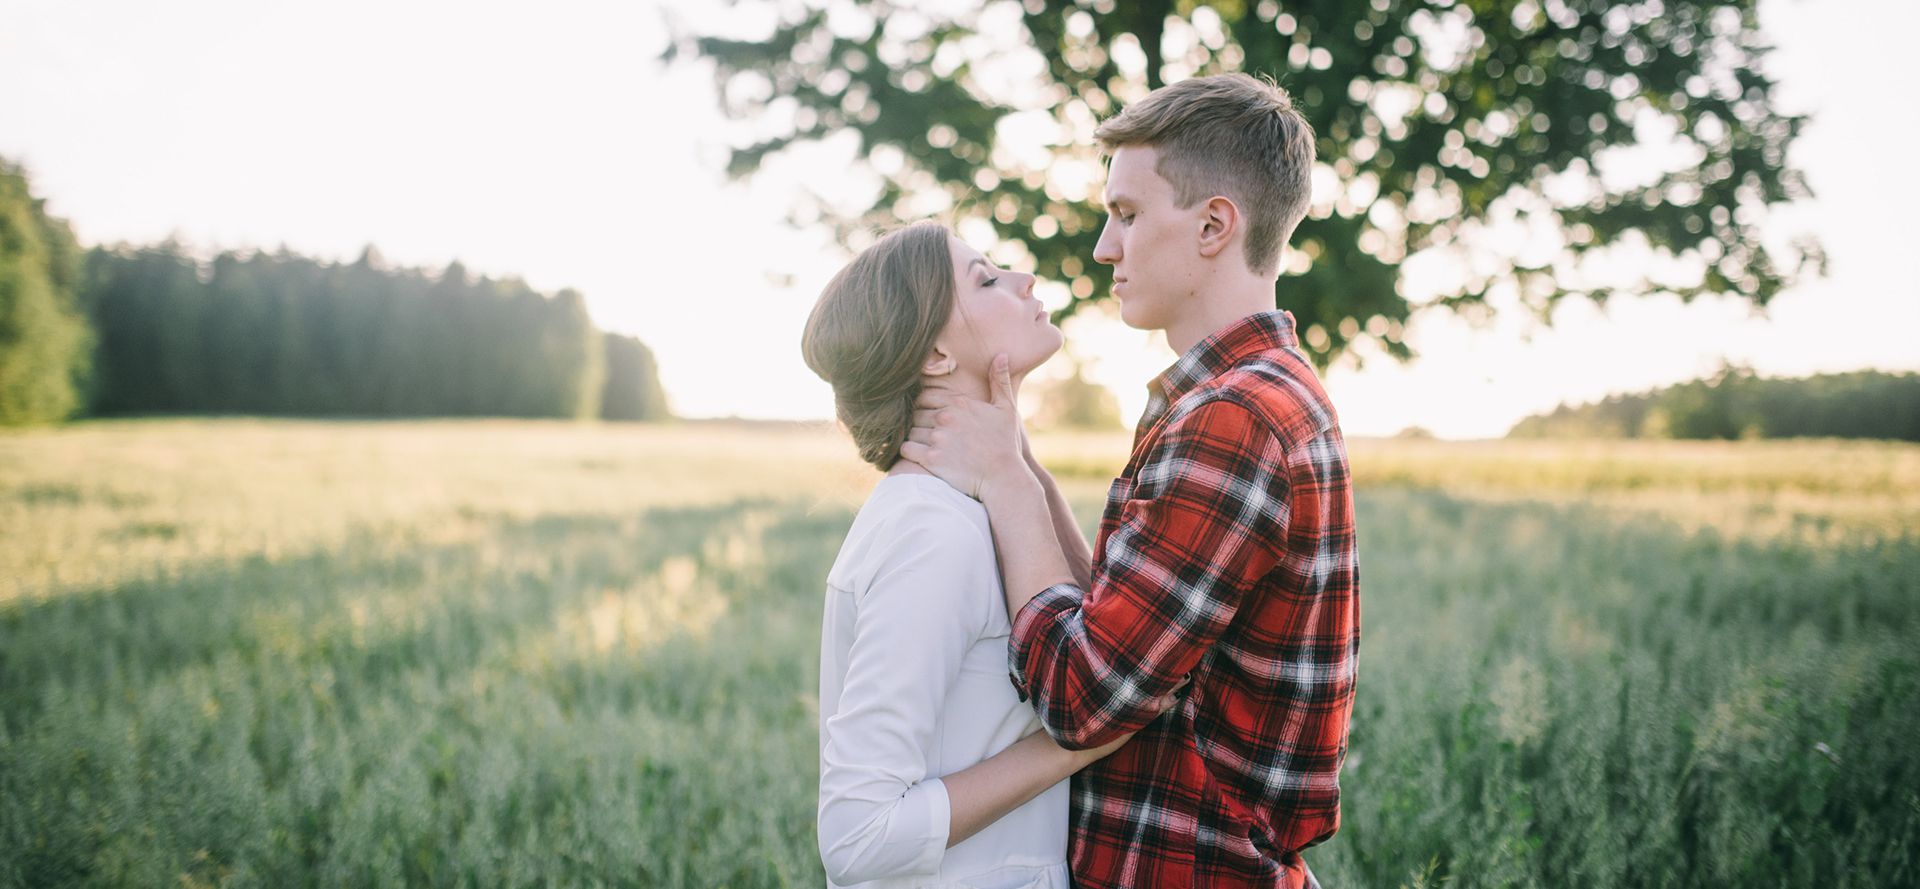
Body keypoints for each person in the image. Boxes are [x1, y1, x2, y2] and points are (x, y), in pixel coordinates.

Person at [901, 73, 1361, 888]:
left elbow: (1084, 697)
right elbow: (1125, 623)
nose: (1104, 248)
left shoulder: (1235, 421)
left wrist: (1007, 486)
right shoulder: (1254, 393)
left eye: (1127, 214)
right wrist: (1025, 466)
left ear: (1215, 224)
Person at [803, 221, 1170, 889]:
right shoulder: (931, 532)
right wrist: (1070, 746)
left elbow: (1094, 635)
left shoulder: (980, 506)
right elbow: (857, 834)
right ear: (936, 355)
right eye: (986, 278)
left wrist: (1016, 460)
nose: (1024, 279)